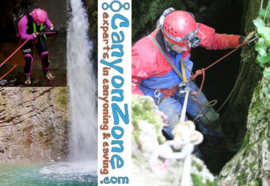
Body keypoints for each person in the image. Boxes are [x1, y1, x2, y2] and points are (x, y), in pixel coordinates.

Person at [132, 8, 247, 145]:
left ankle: (215, 145)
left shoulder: (189, 32)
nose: (187, 49)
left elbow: (214, 40)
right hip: (158, 95)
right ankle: (196, 160)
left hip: (183, 83)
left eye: (189, 45)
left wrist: (241, 40)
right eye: (182, 46)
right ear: (168, 39)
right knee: (185, 137)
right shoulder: (144, 55)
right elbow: (127, 85)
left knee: (210, 118)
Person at [18, 5, 58, 85]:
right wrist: (33, 36)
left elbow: (47, 21)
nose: (39, 24)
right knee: (28, 58)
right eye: (38, 23)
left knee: (45, 56)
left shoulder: (43, 13)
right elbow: (22, 35)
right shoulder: (23, 21)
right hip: (27, 38)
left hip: (39, 34)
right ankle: (27, 77)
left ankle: (47, 72)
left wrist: (52, 28)